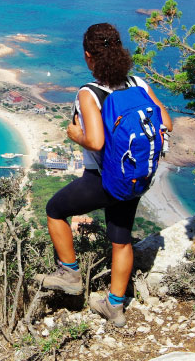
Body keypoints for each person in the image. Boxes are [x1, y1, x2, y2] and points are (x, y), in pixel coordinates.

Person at [35, 22, 173, 327]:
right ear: (121, 51)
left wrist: (75, 135)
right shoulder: (138, 83)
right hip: (136, 178)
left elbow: (96, 141)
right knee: (120, 239)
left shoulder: (91, 93)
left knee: (55, 210)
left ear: (88, 56)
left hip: (103, 178)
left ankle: (69, 272)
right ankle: (114, 306)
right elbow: (166, 123)